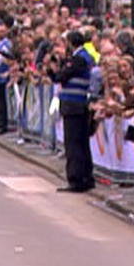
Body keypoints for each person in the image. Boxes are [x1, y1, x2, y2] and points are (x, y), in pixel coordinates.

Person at [53, 29, 101, 193]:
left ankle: (76, 179)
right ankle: (86, 177)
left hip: (74, 105)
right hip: (77, 105)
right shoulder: (84, 56)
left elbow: (61, 76)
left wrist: (56, 68)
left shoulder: (79, 58)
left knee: (73, 144)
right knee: (81, 143)